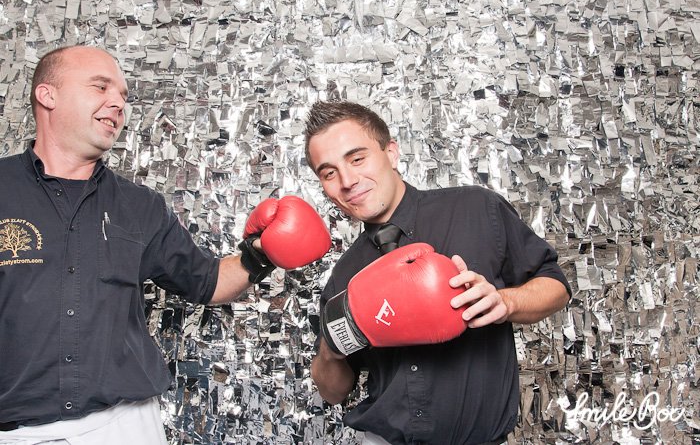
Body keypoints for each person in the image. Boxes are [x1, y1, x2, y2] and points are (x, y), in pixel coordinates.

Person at [0, 45, 330, 444]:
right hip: (17, 431)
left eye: (123, 95)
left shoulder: (140, 205)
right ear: (47, 94)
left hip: (123, 426)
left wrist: (259, 254)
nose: (117, 103)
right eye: (100, 87)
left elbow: (206, 281)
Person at [305, 101, 571, 445]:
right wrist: (331, 346)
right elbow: (334, 392)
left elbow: (556, 286)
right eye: (329, 173)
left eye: (357, 159)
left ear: (391, 152)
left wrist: (505, 302)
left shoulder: (475, 208)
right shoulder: (344, 276)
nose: (347, 181)